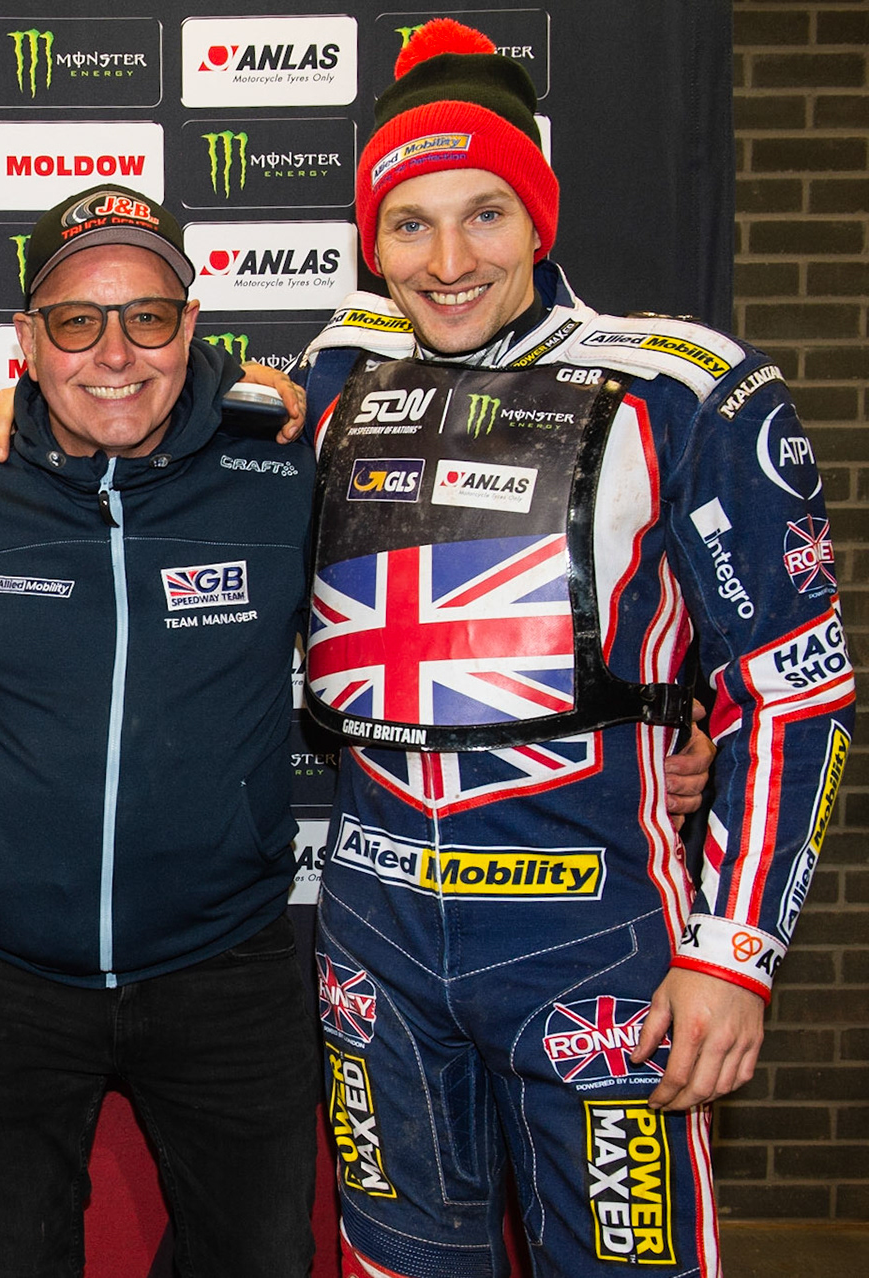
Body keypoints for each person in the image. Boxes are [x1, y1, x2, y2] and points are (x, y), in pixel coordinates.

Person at [296, 21, 854, 1278]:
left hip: (595, 945)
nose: (447, 262)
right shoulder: (330, 375)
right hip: (374, 936)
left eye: (485, 213)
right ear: (369, 240)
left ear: (539, 217)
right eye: (410, 223)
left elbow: (794, 690)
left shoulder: (687, 386)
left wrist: (735, 956)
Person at [0, 185, 324, 1277]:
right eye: (77, 321)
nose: (116, 354)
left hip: (229, 964)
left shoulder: (285, 474)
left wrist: (671, 728)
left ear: (193, 327)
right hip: (14, 977)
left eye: (150, 317)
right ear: (27, 344)